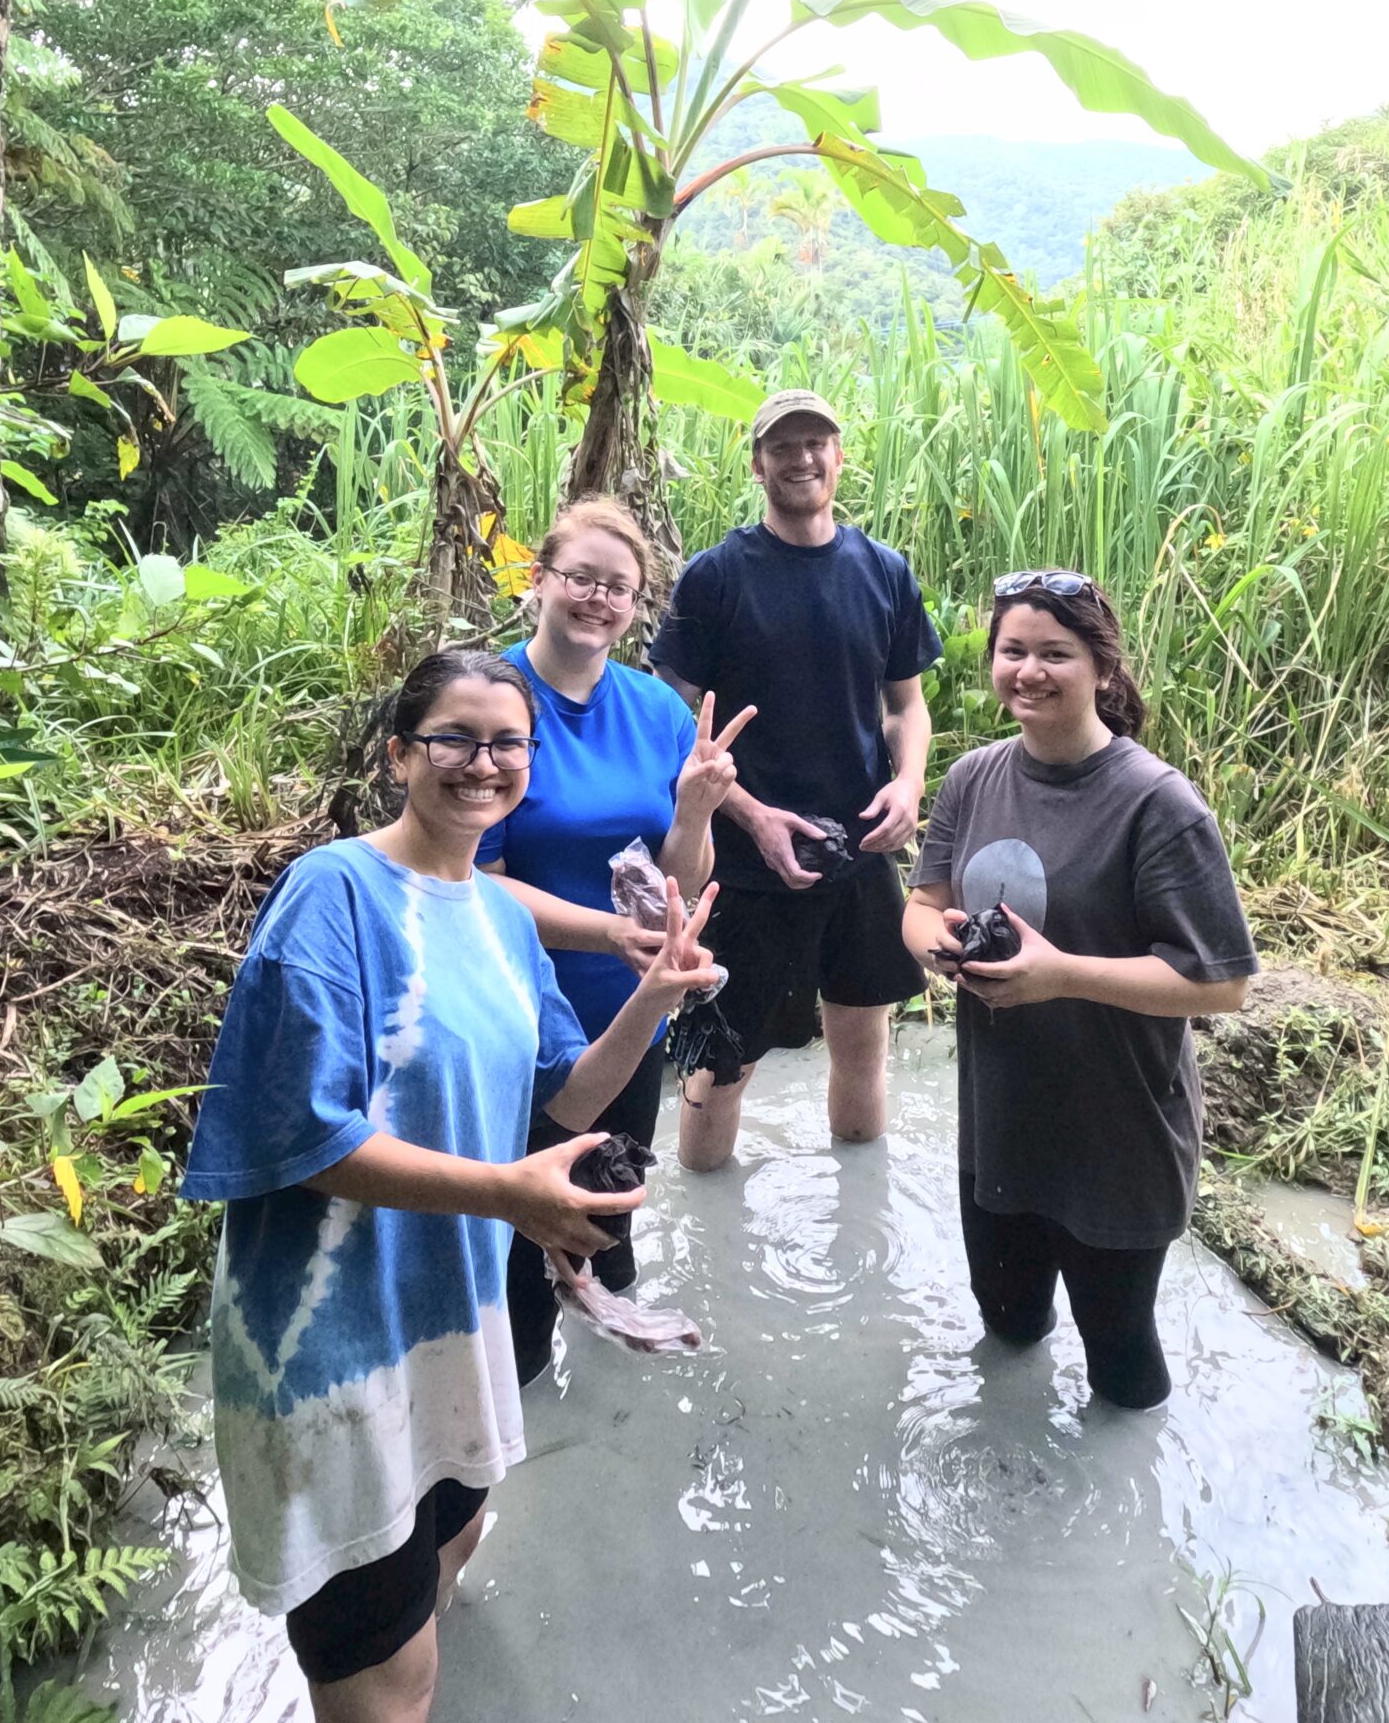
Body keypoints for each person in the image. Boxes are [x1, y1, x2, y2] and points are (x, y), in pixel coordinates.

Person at [180, 649, 721, 1723]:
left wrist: (653, 1002)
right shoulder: (330, 892)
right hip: (330, 1346)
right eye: (454, 738)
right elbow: (301, 1135)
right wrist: (507, 1196)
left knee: (451, 1552)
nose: (483, 762)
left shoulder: (503, 918)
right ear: (398, 754)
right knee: (389, 1682)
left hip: (452, 1321)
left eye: (507, 742)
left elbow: (566, 1097)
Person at [901, 571, 1257, 1411]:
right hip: (1000, 1122)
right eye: (1012, 651)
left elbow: (1222, 983)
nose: (1029, 671)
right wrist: (939, 950)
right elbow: (923, 906)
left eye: (1055, 653)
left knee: (1122, 1368)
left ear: (1102, 668)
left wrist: (1059, 974)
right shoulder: (975, 779)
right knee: (1011, 1329)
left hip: (1118, 1134)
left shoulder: (1157, 805)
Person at [473, 497, 754, 1382]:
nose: (598, 599)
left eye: (619, 588)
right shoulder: (494, 704)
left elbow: (682, 871)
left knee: (607, 1207)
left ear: (637, 605)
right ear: (539, 582)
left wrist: (697, 808)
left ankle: (602, 1372)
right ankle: (516, 1415)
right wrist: (607, 932)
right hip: (515, 1012)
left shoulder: (657, 712)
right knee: (518, 1239)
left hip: (631, 1013)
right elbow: (472, 876)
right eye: (581, 578)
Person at [650, 389, 940, 1167]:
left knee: (862, 1047)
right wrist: (750, 814)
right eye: (783, 446)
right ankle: (708, 1254)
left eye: (817, 442)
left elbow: (907, 706)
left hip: (859, 853)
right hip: (743, 870)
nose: (801, 458)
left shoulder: (883, 571)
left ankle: (860, 1238)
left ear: (840, 457)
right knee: (720, 1060)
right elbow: (676, 728)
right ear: (758, 465)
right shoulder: (715, 577)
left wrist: (909, 783)